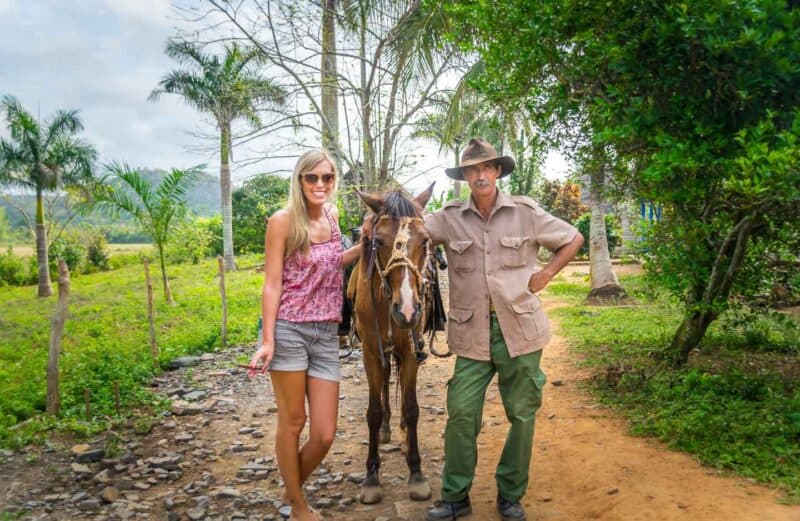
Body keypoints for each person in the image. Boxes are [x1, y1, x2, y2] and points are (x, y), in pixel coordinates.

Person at [424, 138, 584, 521]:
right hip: (472, 333)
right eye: (471, 170)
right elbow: (408, 230)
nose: (479, 175)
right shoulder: (447, 217)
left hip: (521, 330)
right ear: (464, 177)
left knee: (522, 414)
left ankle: (510, 494)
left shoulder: (525, 212)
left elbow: (573, 238)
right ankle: (455, 495)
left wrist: (545, 273)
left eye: (486, 168)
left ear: (497, 172)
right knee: (461, 412)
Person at [248, 149, 362, 521]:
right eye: (312, 178)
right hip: (290, 330)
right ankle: (297, 506)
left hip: (327, 333)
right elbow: (272, 284)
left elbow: (332, 263)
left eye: (327, 178)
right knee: (293, 420)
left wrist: (365, 244)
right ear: (299, 180)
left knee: (325, 433)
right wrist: (268, 339)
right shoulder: (282, 222)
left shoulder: (333, 215)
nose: (320, 184)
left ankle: (289, 484)